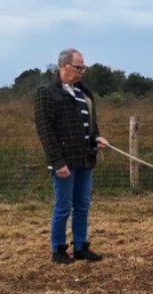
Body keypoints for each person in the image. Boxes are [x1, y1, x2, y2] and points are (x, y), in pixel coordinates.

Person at [34, 48, 109, 264]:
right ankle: (58, 249)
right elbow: (45, 131)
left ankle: (80, 247)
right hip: (64, 163)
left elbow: (90, 124)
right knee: (63, 205)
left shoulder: (83, 93)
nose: (82, 71)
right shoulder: (47, 92)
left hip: (85, 159)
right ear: (65, 66)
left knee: (82, 205)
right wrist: (57, 162)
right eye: (78, 67)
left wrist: (96, 138)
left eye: (83, 67)